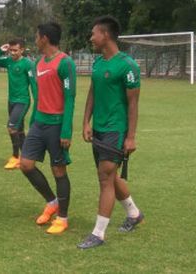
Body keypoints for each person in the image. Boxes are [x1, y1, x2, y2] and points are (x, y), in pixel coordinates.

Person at [77, 16, 144, 250]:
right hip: (98, 128)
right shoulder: (97, 64)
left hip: (116, 129)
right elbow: (92, 94)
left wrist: (131, 136)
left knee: (105, 178)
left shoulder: (128, 66)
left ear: (105, 35)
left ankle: (98, 233)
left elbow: (133, 104)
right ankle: (134, 214)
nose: (91, 37)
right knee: (111, 176)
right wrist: (86, 122)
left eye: (93, 33)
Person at [19, 22, 76, 235]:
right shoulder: (38, 62)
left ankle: (62, 217)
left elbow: (70, 98)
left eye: (36, 36)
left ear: (44, 38)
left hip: (56, 124)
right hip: (39, 123)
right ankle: (52, 202)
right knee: (25, 164)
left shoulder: (65, 62)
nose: (35, 39)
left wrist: (66, 131)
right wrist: (32, 122)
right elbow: (39, 96)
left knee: (58, 170)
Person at [0, 38, 35, 170]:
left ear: (22, 50)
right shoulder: (8, 61)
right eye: (11, 50)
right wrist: (0, 50)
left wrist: (38, 104)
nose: (12, 53)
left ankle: (15, 157)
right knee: (19, 130)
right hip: (11, 101)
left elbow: (34, 85)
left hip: (23, 101)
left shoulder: (28, 64)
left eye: (15, 50)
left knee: (11, 128)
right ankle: (27, 157)